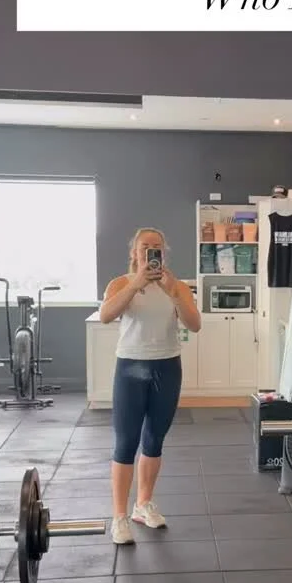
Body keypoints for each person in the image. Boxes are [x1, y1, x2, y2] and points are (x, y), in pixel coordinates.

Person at [99, 227, 202, 545]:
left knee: (155, 439)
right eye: (145, 246)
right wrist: (136, 284)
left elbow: (194, 325)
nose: (150, 251)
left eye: (156, 246)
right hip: (130, 367)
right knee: (126, 442)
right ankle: (119, 517)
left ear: (163, 252)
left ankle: (142, 505)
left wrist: (173, 293)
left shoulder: (177, 286)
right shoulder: (120, 283)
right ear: (135, 251)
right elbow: (106, 315)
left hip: (167, 366)